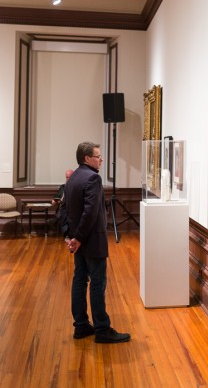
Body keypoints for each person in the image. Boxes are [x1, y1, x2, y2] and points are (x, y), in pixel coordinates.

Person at [61, 141, 131, 344]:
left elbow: (64, 209)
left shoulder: (73, 177)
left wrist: (70, 237)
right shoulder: (93, 178)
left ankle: (81, 326)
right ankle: (102, 329)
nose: (101, 160)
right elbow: (90, 213)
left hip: (79, 241)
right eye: (98, 156)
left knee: (80, 281)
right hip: (91, 241)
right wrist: (79, 238)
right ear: (87, 158)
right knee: (97, 283)